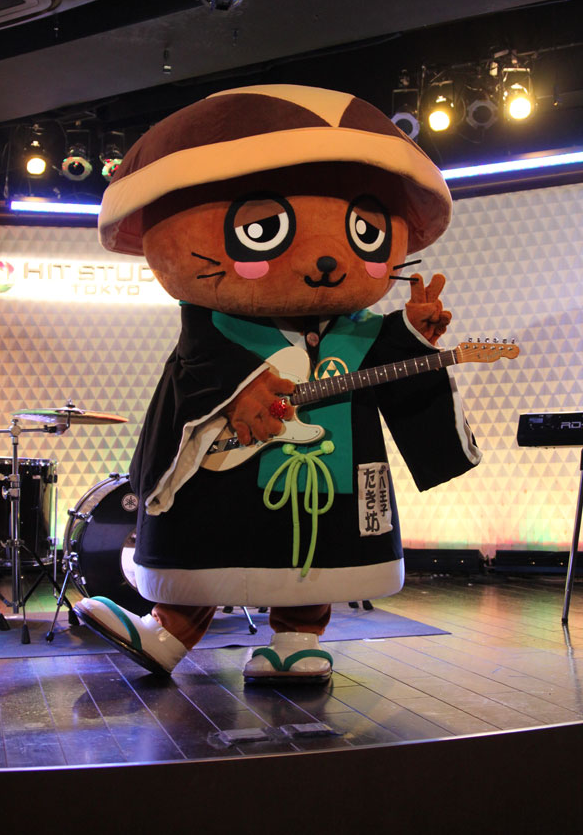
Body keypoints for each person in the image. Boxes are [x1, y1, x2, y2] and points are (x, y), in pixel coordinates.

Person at [75, 84, 481, 682]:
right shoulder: (212, 327)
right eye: (263, 229)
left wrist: (414, 335)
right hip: (229, 468)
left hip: (334, 474)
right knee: (209, 547)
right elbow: (202, 369)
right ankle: (166, 633)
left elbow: (399, 373)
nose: (325, 259)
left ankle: (296, 638)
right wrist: (239, 392)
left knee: (319, 549)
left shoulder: (362, 331)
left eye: (364, 232)